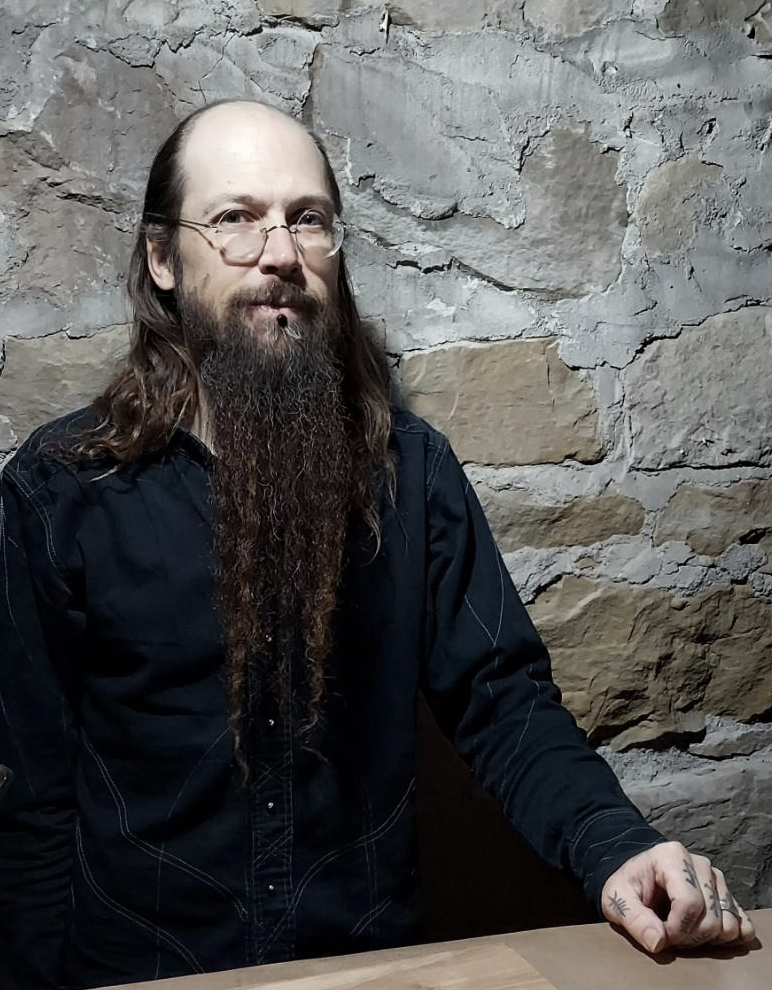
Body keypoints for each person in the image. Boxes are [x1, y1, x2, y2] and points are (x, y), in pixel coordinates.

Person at [0, 100, 755, 990]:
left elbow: (505, 702)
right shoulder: (60, 491)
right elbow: (30, 798)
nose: (280, 253)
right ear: (163, 257)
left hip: (370, 968)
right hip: (145, 972)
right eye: (236, 219)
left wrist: (616, 848)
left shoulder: (413, 474)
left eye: (307, 219)